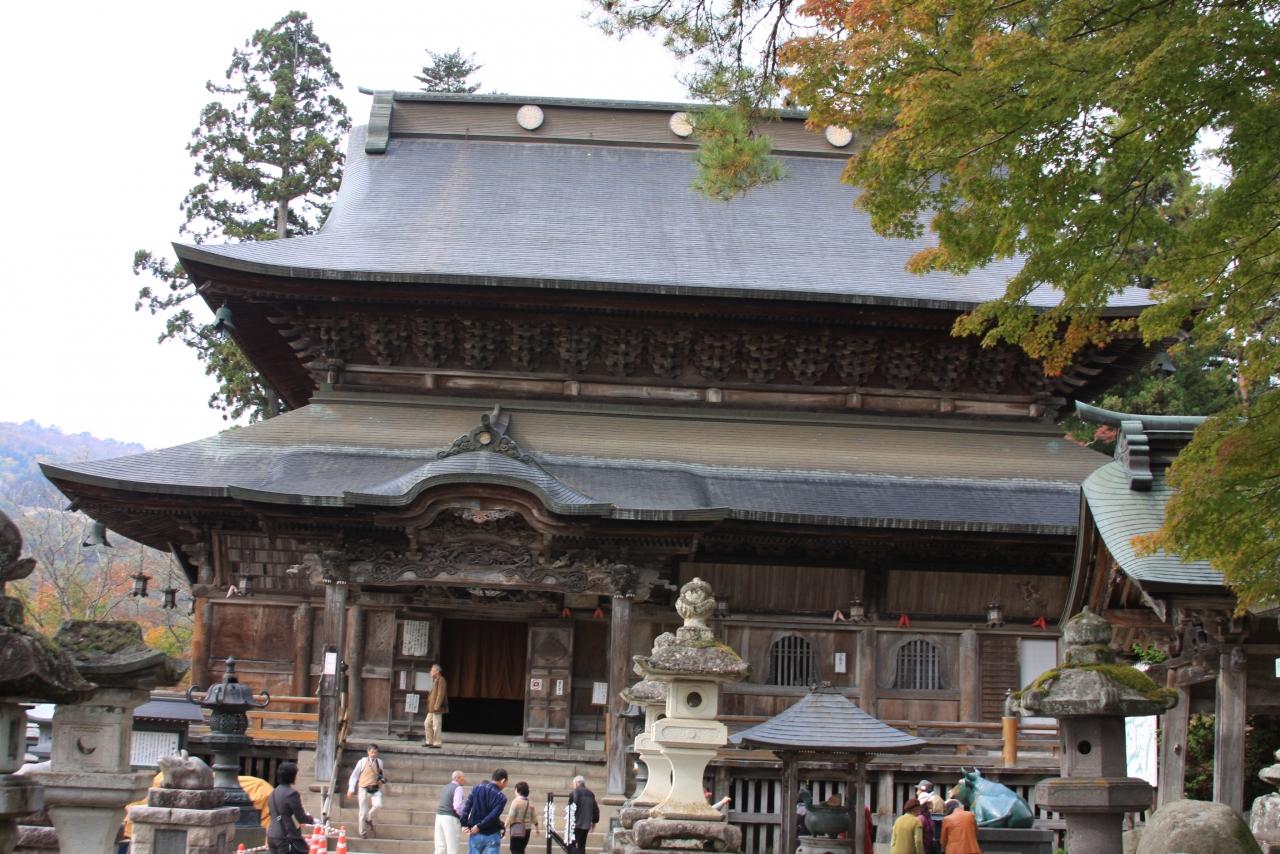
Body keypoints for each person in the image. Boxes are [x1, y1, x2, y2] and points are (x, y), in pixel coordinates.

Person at [267, 761, 313, 854]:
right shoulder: (291, 794)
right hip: (285, 836)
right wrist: (312, 820)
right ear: (292, 776)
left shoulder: (273, 793)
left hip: (272, 835)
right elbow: (301, 817)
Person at [463, 768, 510, 854]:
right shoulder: (501, 797)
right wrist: (479, 826)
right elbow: (493, 816)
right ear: (503, 780)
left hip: (475, 833)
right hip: (492, 833)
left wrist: (464, 824)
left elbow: (467, 806)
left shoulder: (476, 788)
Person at [347, 744, 386, 839]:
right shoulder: (362, 762)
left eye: (375, 752)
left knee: (378, 805)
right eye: (372, 752)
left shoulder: (380, 762)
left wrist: (382, 780)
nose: (373, 754)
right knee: (362, 811)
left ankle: (369, 817)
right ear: (368, 752)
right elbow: (354, 775)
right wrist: (351, 789)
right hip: (363, 787)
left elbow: (381, 774)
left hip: (374, 788)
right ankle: (362, 832)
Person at [435, 770, 468, 854]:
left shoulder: (445, 787)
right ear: (458, 778)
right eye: (463, 778)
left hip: (439, 817)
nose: (464, 780)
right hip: (450, 818)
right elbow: (457, 806)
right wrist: (464, 817)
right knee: (452, 847)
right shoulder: (458, 788)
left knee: (440, 846)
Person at [567, 775, 599, 854]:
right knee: (581, 846)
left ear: (576, 783)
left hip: (575, 825)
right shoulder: (591, 794)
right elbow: (596, 810)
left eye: (573, 784)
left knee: (573, 846)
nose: (573, 786)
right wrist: (594, 822)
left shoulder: (574, 793)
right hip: (586, 826)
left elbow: (570, 811)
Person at [506, 780, 539, 854]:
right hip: (527, 830)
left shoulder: (516, 801)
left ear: (518, 791)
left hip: (517, 829)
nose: (514, 792)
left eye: (515, 790)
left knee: (515, 850)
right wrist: (537, 829)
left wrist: (504, 827)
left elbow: (510, 816)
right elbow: (534, 817)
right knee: (521, 850)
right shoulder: (530, 802)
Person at [426, 663, 449, 748]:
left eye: (432, 670)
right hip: (431, 708)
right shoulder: (435, 680)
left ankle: (437, 743)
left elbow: (441, 694)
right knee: (427, 723)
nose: (430, 672)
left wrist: (437, 705)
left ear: (437, 671)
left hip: (436, 708)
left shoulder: (441, 679)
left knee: (436, 725)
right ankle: (429, 741)